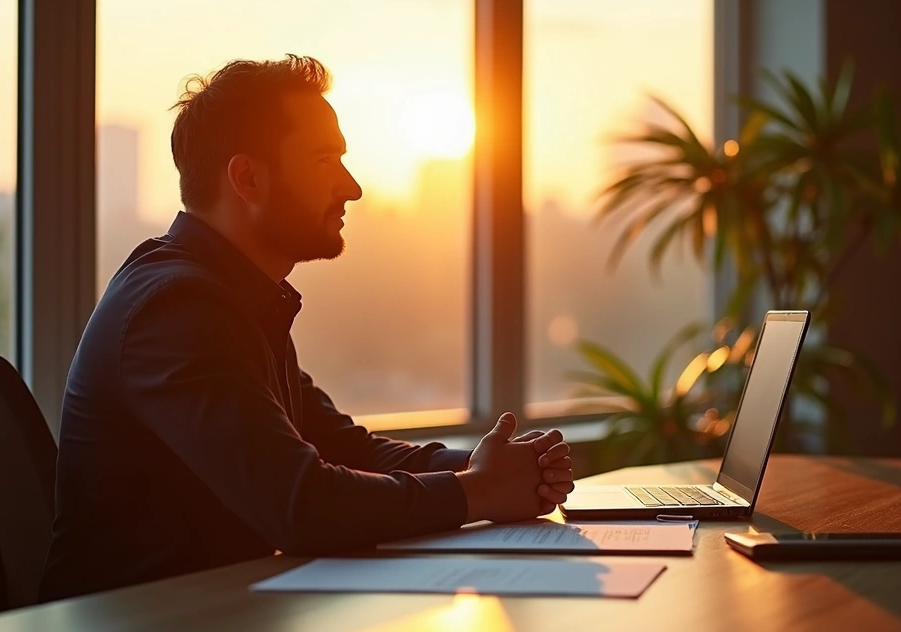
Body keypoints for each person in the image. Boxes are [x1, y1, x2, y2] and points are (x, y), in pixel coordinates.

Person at [38, 56, 574, 603]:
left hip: (209, 614)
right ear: (247, 178)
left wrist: (487, 466)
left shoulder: (235, 298)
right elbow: (301, 505)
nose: (353, 187)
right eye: (325, 161)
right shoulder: (176, 309)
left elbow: (345, 449)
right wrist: (477, 493)